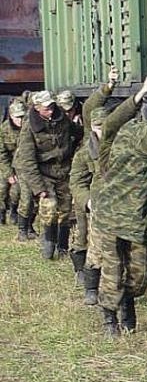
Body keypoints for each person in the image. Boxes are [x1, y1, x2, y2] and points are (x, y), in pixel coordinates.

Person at [94, 86, 147, 337]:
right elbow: (112, 122)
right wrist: (137, 97)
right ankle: (110, 317)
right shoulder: (131, 132)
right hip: (110, 214)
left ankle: (128, 301)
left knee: (140, 276)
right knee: (113, 269)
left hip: (139, 219)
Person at [69, 67, 119, 302]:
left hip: (115, 202)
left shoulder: (121, 147)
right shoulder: (84, 154)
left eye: (105, 126)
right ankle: (90, 285)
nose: (102, 131)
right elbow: (77, 182)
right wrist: (87, 201)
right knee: (87, 240)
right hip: (91, 201)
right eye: (98, 127)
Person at [13, 90, 83, 259]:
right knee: (49, 208)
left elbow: (77, 133)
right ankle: (49, 242)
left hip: (64, 171)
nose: (50, 111)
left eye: (52, 107)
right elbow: (27, 161)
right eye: (46, 108)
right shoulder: (30, 127)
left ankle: (63, 246)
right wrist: (38, 188)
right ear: (37, 108)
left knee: (65, 211)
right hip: (44, 172)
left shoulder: (62, 119)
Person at [0, 100, 26, 225]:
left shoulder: (28, 127)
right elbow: (2, 154)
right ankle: (1, 213)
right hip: (6, 164)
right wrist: (8, 173)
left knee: (17, 189)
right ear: (11, 116)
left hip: (22, 164)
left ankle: (14, 211)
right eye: (17, 117)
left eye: (22, 116)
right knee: (2, 188)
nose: (20, 120)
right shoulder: (4, 130)